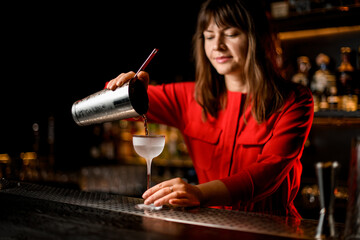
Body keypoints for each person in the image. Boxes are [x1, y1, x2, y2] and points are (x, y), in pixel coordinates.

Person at [106, 0, 313, 218]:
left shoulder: (294, 99)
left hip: (274, 227)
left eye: (231, 34)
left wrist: (199, 193)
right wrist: (127, 90)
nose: (217, 46)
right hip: (210, 225)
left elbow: (267, 174)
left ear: (257, 38)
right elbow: (113, 104)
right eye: (209, 36)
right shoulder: (189, 97)